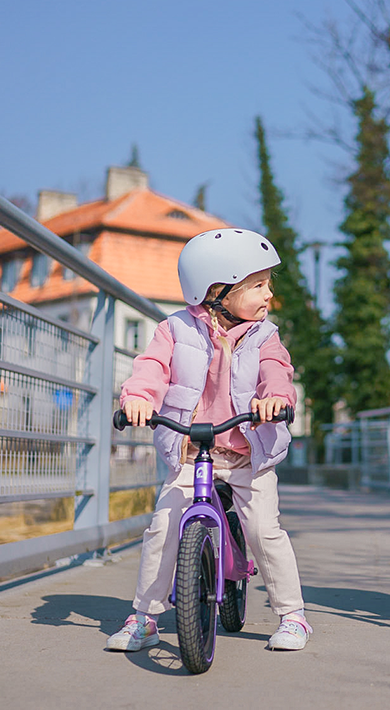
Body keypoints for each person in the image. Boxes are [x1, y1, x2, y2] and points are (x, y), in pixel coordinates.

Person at [105, 228, 311, 653]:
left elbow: (277, 370)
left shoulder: (264, 335)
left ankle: (293, 616)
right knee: (162, 527)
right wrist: (139, 399)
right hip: (192, 452)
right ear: (217, 291)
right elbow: (150, 369)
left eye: (268, 283)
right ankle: (144, 619)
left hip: (246, 456)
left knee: (263, 529)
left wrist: (274, 397)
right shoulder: (174, 329)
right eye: (258, 285)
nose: (269, 293)